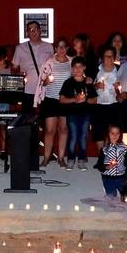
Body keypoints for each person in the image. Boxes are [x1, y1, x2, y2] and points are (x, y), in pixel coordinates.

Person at [37, 38, 73, 169]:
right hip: (51, 99)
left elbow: (78, 77)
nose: (61, 49)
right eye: (59, 46)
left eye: (64, 47)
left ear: (67, 48)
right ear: (55, 48)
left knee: (63, 129)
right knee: (49, 130)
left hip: (65, 100)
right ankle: (46, 157)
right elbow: (42, 81)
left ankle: (61, 158)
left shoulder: (72, 62)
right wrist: (46, 82)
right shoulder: (49, 62)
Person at [59, 56, 97, 170]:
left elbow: (94, 100)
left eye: (80, 67)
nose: (78, 69)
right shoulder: (68, 83)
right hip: (72, 114)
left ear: (84, 68)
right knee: (73, 136)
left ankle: (81, 159)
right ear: (72, 69)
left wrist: (85, 100)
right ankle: (70, 159)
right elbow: (61, 99)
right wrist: (75, 99)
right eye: (75, 67)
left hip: (85, 114)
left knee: (83, 137)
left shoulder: (88, 83)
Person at [11, 21, 54, 111]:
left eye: (36, 29)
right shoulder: (20, 48)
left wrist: (49, 78)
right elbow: (14, 69)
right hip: (27, 90)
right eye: (31, 30)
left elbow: (53, 66)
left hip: (44, 90)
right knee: (28, 119)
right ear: (27, 33)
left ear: (40, 31)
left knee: (45, 119)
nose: (34, 32)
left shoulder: (49, 47)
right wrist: (21, 75)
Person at [91, 46, 121, 151]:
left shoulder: (119, 69)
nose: (110, 59)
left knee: (112, 131)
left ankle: (110, 157)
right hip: (99, 105)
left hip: (114, 105)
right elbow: (89, 86)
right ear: (102, 58)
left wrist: (119, 88)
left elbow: (125, 87)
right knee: (99, 131)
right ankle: (100, 157)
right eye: (107, 56)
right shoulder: (97, 69)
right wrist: (96, 86)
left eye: (112, 56)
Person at [98, 124, 127, 197]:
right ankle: (107, 189)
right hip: (108, 178)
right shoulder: (104, 149)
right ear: (108, 134)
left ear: (119, 134)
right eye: (112, 133)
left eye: (117, 133)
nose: (115, 135)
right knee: (112, 197)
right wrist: (107, 167)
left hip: (121, 177)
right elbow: (99, 165)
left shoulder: (124, 148)